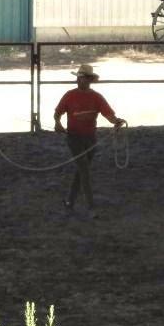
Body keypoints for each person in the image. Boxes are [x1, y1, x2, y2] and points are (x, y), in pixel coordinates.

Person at [53, 64, 125, 218]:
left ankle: (70, 201)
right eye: (79, 77)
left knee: (81, 172)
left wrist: (116, 121)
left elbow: (109, 114)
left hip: (90, 139)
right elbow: (57, 113)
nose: (80, 80)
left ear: (88, 80)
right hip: (74, 138)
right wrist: (57, 123)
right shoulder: (69, 95)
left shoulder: (96, 97)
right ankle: (91, 207)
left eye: (83, 78)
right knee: (84, 170)